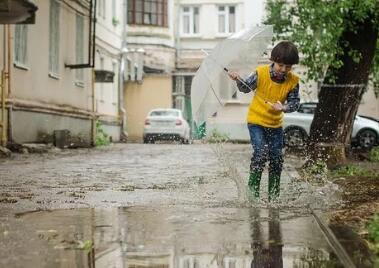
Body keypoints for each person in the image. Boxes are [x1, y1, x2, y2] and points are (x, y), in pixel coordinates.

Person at [228, 41, 300, 201]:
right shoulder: (260, 73)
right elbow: (245, 88)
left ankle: (273, 197)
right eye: (281, 65)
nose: (284, 70)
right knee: (260, 154)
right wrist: (237, 78)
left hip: (275, 124)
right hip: (256, 122)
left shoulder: (293, 81)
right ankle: (252, 195)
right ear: (273, 60)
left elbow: (295, 103)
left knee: (276, 158)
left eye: (288, 67)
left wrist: (284, 107)